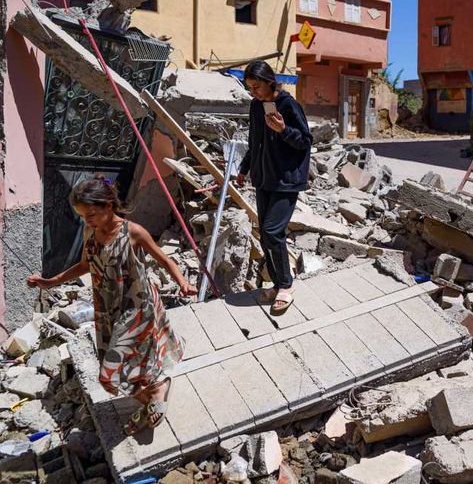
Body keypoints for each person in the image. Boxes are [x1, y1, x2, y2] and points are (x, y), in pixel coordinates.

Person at [27, 177, 197, 436]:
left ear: (108, 206)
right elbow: (86, 264)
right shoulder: (90, 232)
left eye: (91, 214)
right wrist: (51, 281)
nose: (88, 221)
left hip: (137, 306)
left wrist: (183, 282)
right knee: (128, 363)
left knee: (110, 373)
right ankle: (154, 394)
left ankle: (157, 391)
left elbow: (165, 260)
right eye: (83, 216)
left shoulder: (133, 232)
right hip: (106, 309)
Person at [236, 59, 312, 314]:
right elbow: (254, 141)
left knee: (272, 231)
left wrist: (283, 129)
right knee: (266, 234)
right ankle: (278, 283)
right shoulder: (256, 107)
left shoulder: (289, 105)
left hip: (286, 180)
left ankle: (286, 286)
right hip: (263, 179)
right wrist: (244, 169)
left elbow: (305, 141)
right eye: (250, 88)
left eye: (257, 87)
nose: (254, 92)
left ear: (270, 82)